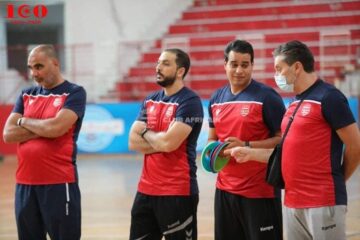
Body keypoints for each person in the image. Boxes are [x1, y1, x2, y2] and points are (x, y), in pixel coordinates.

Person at [227, 40, 360, 240]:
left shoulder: (329, 97)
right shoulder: (293, 103)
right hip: (291, 203)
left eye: (279, 69)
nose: (276, 75)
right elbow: (286, 153)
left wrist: (338, 180)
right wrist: (250, 153)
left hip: (322, 202)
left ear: (297, 67)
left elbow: (355, 145)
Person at [2, 44, 86, 240]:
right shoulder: (26, 94)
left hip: (58, 183)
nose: (34, 73)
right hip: (24, 185)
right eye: (31, 68)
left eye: (39, 66)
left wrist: (24, 122)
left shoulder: (74, 93)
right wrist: (45, 128)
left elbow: (56, 128)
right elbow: (8, 134)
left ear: (55, 63)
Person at [207, 39, 285, 240]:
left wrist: (247, 146)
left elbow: (282, 140)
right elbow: (212, 138)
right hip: (224, 191)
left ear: (252, 65)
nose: (239, 70)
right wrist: (212, 153)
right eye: (234, 64)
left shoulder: (267, 97)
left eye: (245, 64)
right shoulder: (216, 99)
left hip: (260, 192)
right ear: (225, 65)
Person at [128, 48, 203, 240]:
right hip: (145, 191)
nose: (158, 67)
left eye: (165, 63)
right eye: (158, 62)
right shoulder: (150, 100)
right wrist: (161, 142)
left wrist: (145, 132)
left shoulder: (190, 101)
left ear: (180, 71)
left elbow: (169, 143)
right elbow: (133, 142)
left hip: (177, 192)